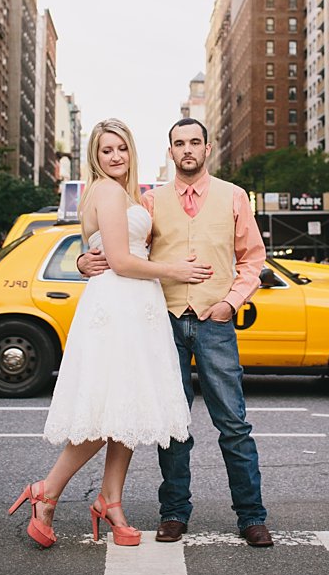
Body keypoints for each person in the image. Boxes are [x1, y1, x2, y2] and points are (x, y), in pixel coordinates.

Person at [9, 118, 212, 549]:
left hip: (139, 307)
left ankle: (110, 501)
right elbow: (120, 260)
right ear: (95, 158)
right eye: (106, 151)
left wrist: (88, 258)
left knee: (130, 410)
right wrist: (175, 271)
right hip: (119, 304)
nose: (115, 156)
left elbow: (108, 248)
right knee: (105, 414)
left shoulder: (130, 194)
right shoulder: (103, 189)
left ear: (131, 151)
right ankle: (46, 492)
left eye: (121, 148)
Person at [78, 118, 273, 547]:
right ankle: (174, 513)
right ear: (170, 151)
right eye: (179, 143)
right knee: (173, 424)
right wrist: (82, 261)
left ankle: (251, 516)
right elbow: (115, 243)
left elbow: (253, 259)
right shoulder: (148, 202)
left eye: (194, 142)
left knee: (233, 423)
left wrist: (230, 302)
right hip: (162, 319)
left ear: (207, 148)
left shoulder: (234, 196)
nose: (187, 149)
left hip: (214, 321)